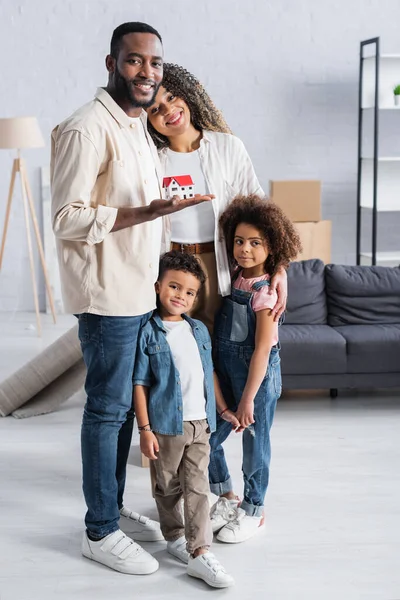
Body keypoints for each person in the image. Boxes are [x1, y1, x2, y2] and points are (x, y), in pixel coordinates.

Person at [50, 22, 213, 575]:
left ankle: (111, 510)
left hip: (138, 293)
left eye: (156, 63)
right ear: (111, 63)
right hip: (108, 298)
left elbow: (144, 209)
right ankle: (98, 531)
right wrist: (146, 213)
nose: (148, 72)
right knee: (107, 411)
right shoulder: (84, 128)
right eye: (135, 61)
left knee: (121, 414)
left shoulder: (137, 127)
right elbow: (66, 218)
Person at [146, 63, 288, 333]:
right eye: (155, 109)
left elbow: (262, 212)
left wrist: (279, 267)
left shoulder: (227, 147)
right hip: (170, 263)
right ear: (148, 121)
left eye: (171, 97)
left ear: (186, 94)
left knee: (213, 345)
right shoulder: (151, 160)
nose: (168, 110)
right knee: (172, 341)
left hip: (216, 261)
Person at [133, 251, 234, 589]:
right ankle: (174, 533)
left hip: (201, 424)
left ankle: (200, 551)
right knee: (166, 486)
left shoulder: (198, 330)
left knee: (197, 487)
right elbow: (140, 384)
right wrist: (145, 430)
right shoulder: (148, 332)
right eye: (174, 287)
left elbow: (209, 375)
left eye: (189, 292)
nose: (180, 296)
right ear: (158, 286)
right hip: (165, 426)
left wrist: (220, 410)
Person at [208, 195, 302, 543]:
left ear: (271, 247)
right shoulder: (232, 276)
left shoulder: (264, 294)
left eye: (255, 243)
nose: (244, 249)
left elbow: (262, 350)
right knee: (206, 438)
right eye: (239, 241)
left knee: (254, 442)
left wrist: (247, 400)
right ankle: (225, 496)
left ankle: (254, 509)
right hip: (230, 374)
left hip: (256, 381)